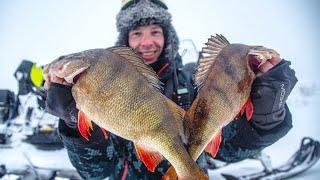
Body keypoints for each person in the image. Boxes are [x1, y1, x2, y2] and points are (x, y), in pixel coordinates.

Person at [44, 0, 298, 179]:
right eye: (137, 33)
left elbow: (228, 147)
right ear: (125, 40)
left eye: (155, 31)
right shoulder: (97, 86)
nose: (147, 41)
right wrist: (71, 120)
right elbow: (98, 173)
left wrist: (268, 112)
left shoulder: (193, 82)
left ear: (167, 36)